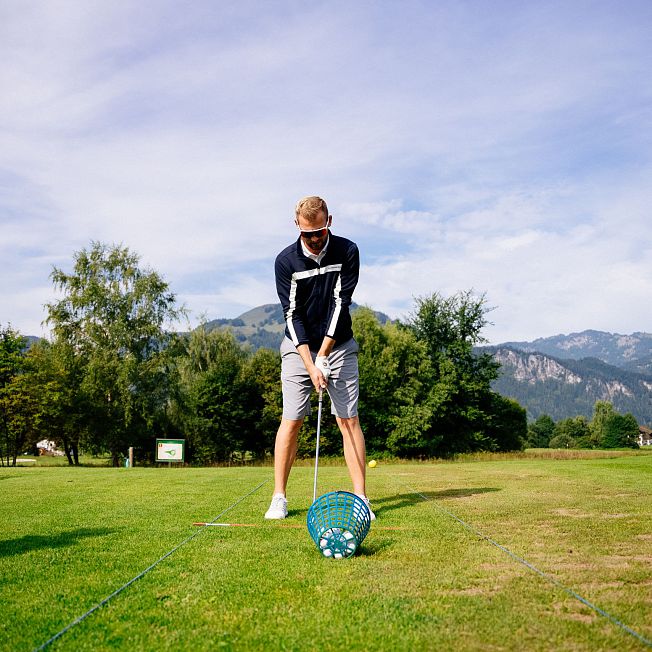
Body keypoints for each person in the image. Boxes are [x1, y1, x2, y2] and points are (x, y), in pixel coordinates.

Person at [265, 196, 375, 520]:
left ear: (330, 222)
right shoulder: (285, 262)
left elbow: (341, 305)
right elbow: (291, 314)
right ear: (296, 225)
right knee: (293, 418)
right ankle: (279, 497)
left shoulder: (347, 251)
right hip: (298, 348)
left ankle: (362, 500)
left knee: (348, 419)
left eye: (320, 232)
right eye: (307, 233)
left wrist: (325, 354)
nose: (314, 239)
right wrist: (311, 364)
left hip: (339, 344)